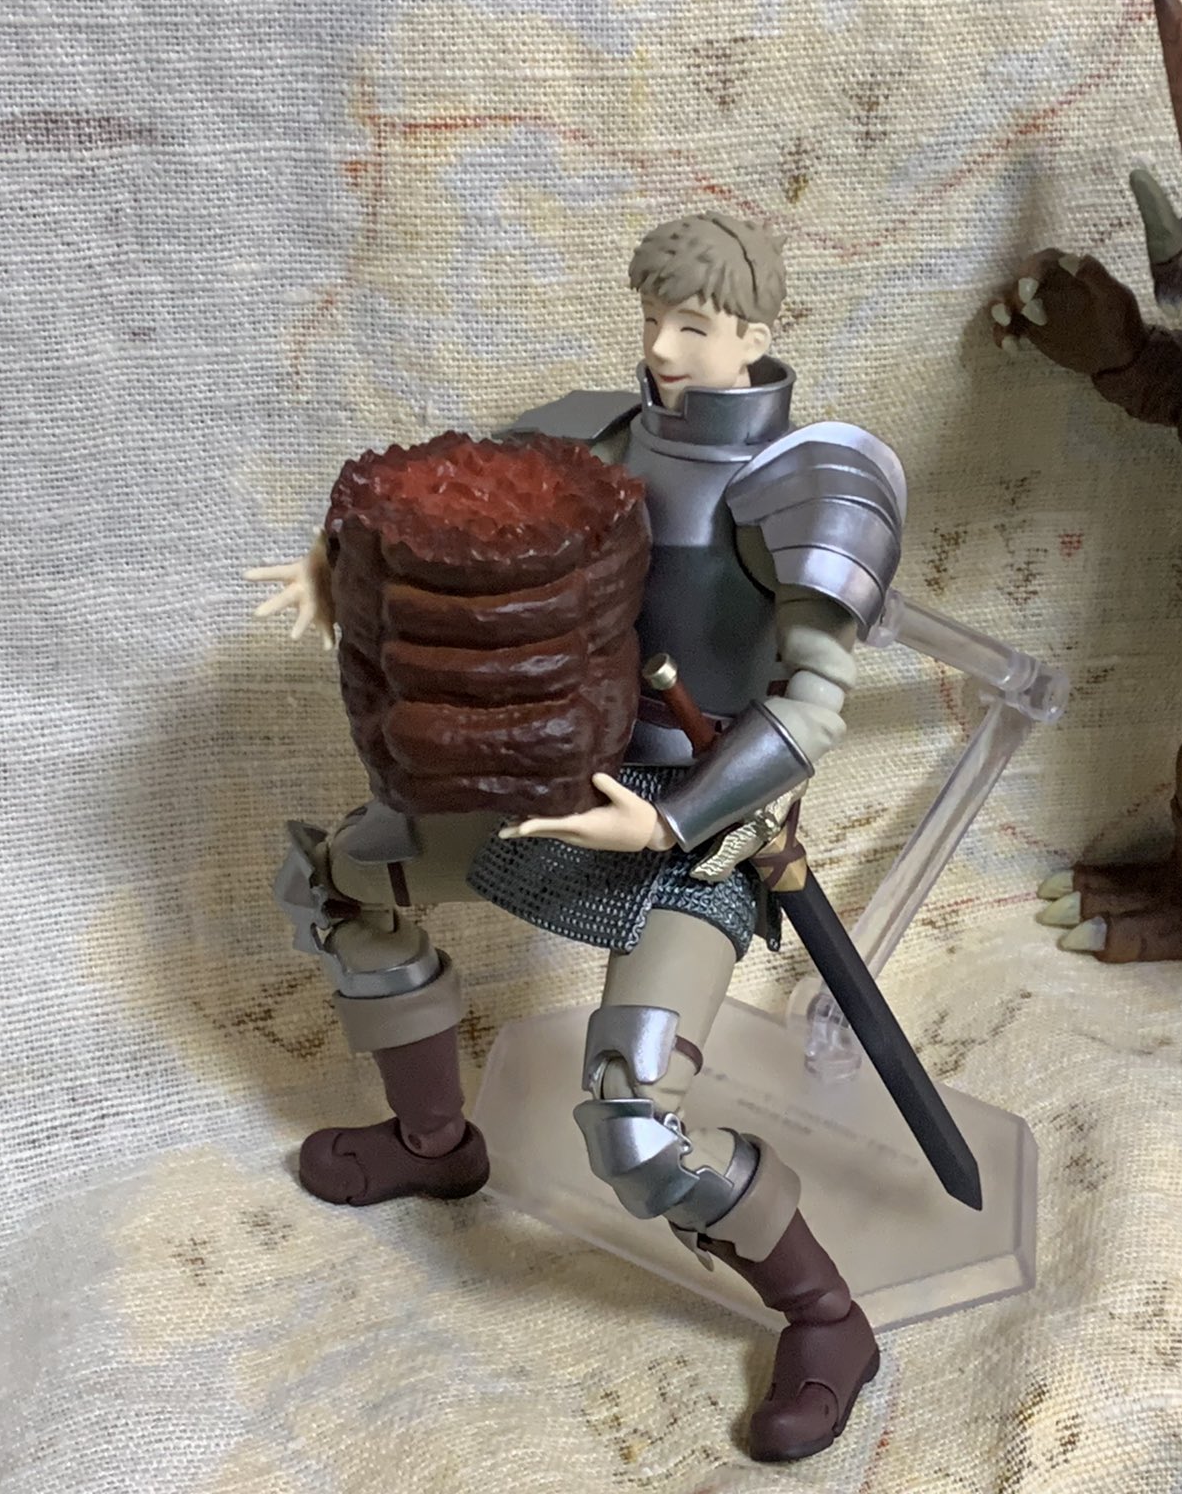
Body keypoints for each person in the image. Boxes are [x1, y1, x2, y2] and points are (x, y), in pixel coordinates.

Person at [248, 212, 902, 1461]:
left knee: (636, 1125)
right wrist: (341, 566)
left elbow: (813, 708)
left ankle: (825, 1316)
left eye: (692, 327)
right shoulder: (588, 434)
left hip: (690, 838)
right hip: (547, 788)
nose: (660, 348)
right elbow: (449, 536)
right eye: (651, 319)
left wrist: (670, 815)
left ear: (755, 334)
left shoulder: (807, 482)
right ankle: (433, 1141)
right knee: (339, 883)